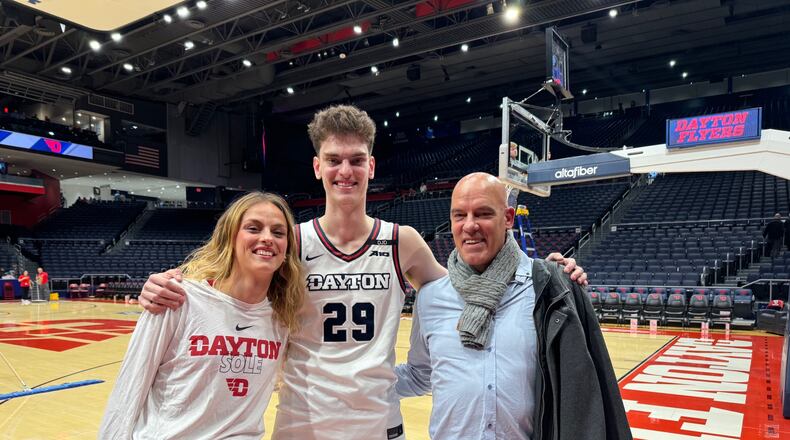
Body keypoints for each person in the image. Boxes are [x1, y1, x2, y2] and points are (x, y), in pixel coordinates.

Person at [139, 105, 587, 440]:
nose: (345, 170)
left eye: (356, 159)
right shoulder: (291, 242)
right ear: (318, 167)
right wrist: (168, 283)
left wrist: (542, 272)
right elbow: (225, 286)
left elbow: (465, 285)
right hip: (303, 424)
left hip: (377, 423)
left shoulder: (401, 242)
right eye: (333, 159)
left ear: (371, 166)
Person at [395, 173, 631, 440]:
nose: (469, 225)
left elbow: (582, 392)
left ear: (508, 218)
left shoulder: (546, 287)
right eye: (460, 215)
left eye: (483, 213)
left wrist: (563, 281)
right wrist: (360, 382)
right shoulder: (431, 297)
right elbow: (419, 376)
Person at [99, 192, 303, 439]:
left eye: (278, 232)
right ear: (230, 237)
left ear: (287, 248)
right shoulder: (177, 298)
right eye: (253, 228)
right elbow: (129, 388)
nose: (267, 238)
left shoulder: (283, 317)